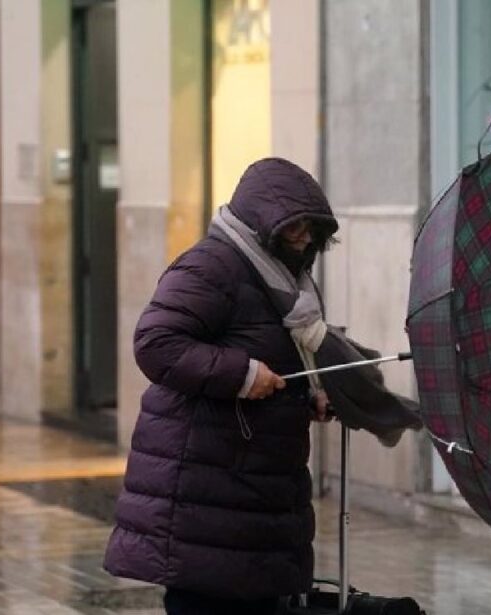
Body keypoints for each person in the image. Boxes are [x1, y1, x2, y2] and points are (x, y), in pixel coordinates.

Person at [103, 158, 338, 614]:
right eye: (295, 229)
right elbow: (156, 343)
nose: (305, 239)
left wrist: (305, 393)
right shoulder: (212, 266)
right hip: (204, 488)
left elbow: (273, 354)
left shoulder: (286, 283)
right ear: (262, 224)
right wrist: (244, 375)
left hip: (251, 489)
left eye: (312, 230)